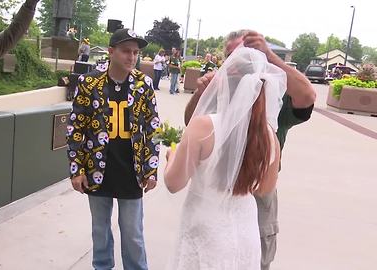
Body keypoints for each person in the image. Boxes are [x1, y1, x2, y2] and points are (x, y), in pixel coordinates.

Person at [184, 30, 316, 270]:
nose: (239, 61)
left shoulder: (273, 94)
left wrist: (270, 56)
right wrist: (201, 93)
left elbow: (307, 95)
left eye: (248, 54)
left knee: (255, 261)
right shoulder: (220, 89)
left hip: (258, 193)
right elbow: (190, 122)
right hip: (214, 192)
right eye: (233, 55)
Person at [165, 45, 285, 270]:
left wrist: (172, 157)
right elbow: (264, 189)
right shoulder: (269, 136)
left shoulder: (203, 127)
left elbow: (174, 183)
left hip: (205, 230)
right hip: (245, 231)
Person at [66, 28, 160, 270]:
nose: (132, 57)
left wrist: (152, 169)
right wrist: (76, 169)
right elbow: (76, 127)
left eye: (136, 52)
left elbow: (153, 129)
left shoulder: (144, 84)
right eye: (126, 51)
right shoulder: (89, 82)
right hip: (97, 169)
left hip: (132, 169)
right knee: (100, 231)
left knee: (133, 235)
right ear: (111, 52)